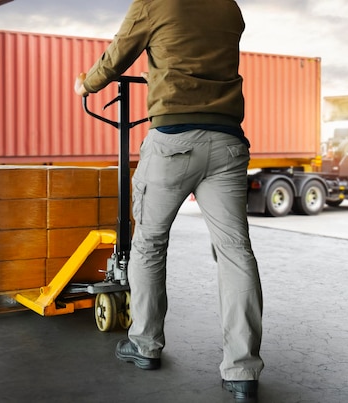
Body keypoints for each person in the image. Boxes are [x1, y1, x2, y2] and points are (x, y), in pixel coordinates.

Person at [74, 0, 263, 400]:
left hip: (174, 139)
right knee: (235, 253)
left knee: (149, 243)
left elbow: (116, 56)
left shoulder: (154, 3)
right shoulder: (229, 8)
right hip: (228, 140)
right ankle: (242, 370)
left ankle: (144, 344)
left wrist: (85, 84)